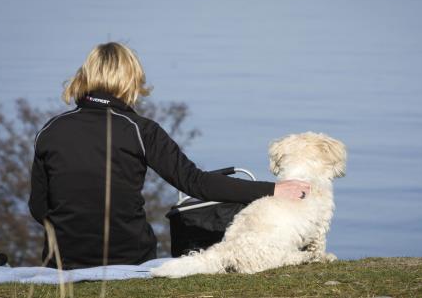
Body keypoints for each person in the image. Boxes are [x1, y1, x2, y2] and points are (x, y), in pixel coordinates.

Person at [28, 42, 310, 269]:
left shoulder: (51, 130)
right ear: (130, 81)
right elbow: (195, 183)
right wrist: (273, 189)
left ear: (86, 78)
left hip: (62, 261)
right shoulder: (139, 130)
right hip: (128, 257)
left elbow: (38, 208)